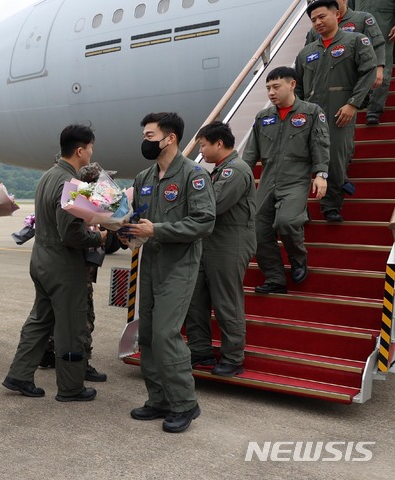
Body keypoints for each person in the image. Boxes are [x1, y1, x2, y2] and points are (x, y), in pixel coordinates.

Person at [119, 112, 215, 433]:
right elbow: (138, 219)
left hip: (179, 264)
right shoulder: (144, 178)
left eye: (149, 136)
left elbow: (204, 221)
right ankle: (158, 398)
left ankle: (185, 403)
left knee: (165, 334)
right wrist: (120, 227)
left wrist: (156, 229)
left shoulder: (193, 176)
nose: (145, 142)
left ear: (169, 138)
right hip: (150, 263)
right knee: (145, 334)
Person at [2, 124, 106, 403]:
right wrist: (99, 236)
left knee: (41, 319)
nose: (92, 153)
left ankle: (19, 374)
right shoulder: (73, 185)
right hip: (63, 266)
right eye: (91, 148)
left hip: (41, 261)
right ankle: (71, 387)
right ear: (81, 150)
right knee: (72, 326)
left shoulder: (48, 176)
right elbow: (71, 233)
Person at [242, 66, 330, 294]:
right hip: (268, 179)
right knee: (258, 231)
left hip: (296, 179)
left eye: (276, 86)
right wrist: (240, 177)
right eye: (268, 88)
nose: (271, 92)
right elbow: (250, 153)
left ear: (292, 85)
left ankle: (298, 258)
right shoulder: (263, 117)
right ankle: (275, 278)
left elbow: (320, 144)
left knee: (287, 222)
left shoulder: (311, 112)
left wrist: (321, 174)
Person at [184, 122, 256, 377]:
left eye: (203, 144)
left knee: (226, 301)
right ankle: (200, 350)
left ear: (219, 144)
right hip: (209, 242)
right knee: (195, 299)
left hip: (229, 243)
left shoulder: (234, 170)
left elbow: (212, 205)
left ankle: (233, 356)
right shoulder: (218, 171)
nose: (201, 150)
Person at [296, 0, 377, 222]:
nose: (318, 22)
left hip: (339, 111)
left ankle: (331, 205)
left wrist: (353, 103)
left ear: (337, 15)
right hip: (311, 114)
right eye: (313, 20)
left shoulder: (356, 41)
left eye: (322, 17)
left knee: (334, 159)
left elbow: (368, 71)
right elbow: (299, 86)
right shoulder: (306, 53)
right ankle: (297, 208)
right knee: (303, 159)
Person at [39, 162, 115, 382]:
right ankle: (82, 363)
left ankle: (48, 353)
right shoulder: (77, 197)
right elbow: (74, 234)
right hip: (77, 266)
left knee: (54, 312)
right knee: (83, 317)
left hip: (62, 265)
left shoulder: (68, 193)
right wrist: (100, 235)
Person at [305, 0, 385, 95]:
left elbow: (377, 44)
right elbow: (307, 57)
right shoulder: (315, 30)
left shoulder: (363, 18)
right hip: (330, 84)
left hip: (358, 78)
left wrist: (379, 68)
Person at [347, 0, 395, 124]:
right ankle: (363, 96)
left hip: (384, 23)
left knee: (382, 64)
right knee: (360, 63)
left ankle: (374, 109)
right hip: (359, 25)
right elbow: (349, 6)